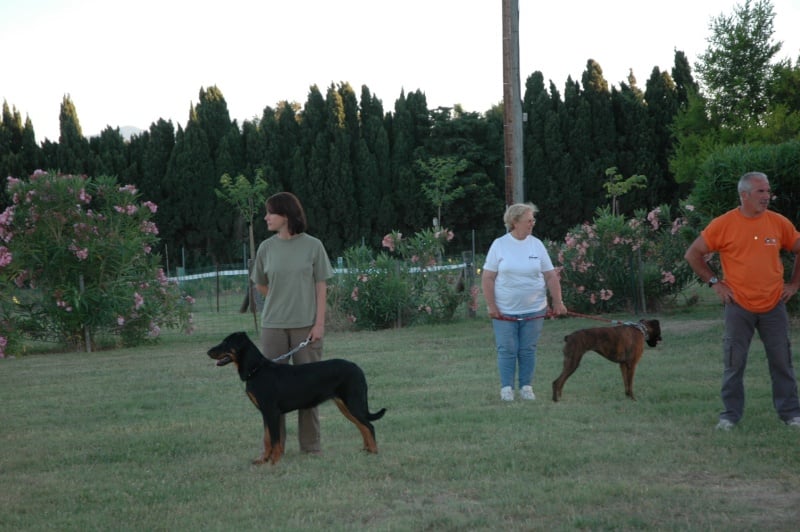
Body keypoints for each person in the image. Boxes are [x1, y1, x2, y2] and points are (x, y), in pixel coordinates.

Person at [684, 171, 800, 430]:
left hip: (774, 306)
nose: (767, 196)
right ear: (744, 195)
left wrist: (794, 284)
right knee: (734, 363)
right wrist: (716, 284)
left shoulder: (778, 223)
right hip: (739, 306)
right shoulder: (724, 224)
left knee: (781, 361)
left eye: (768, 191)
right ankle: (730, 416)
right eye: (761, 191)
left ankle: (791, 414)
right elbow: (693, 254)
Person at [251, 191, 334, 453]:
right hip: (273, 327)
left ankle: (311, 446)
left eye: (270, 213)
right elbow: (261, 284)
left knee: (309, 389)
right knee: (271, 392)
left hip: (306, 326)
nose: (266, 218)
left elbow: (321, 287)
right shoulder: (265, 248)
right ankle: (276, 446)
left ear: (285, 215)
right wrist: (279, 299)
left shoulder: (313, 246)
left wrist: (318, 324)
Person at [482, 202, 568, 401]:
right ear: (514, 222)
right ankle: (506, 389)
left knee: (527, 349)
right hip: (504, 311)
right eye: (528, 220)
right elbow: (487, 278)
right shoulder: (499, 245)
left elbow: (550, 276)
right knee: (507, 349)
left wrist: (558, 302)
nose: (532, 224)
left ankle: (526, 387)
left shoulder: (536, 244)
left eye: (533, 220)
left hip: (534, 310)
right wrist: (492, 306)